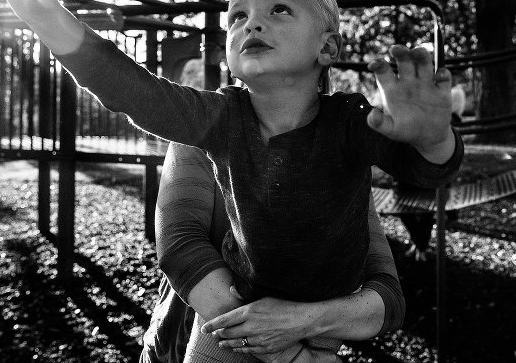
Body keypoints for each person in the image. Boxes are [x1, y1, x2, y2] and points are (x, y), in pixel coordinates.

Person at [0, 0, 464, 362]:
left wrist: (432, 138)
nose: (252, 22)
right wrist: (45, 17)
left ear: (327, 48)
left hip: (326, 319)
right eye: (238, 15)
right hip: (235, 311)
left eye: (279, 10)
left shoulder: (348, 122)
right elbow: (135, 92)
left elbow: (422, 171)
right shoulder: (220, 117)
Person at [142, 142, 406, 363]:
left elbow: (388, 298)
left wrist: (305, 322)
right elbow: (181, 249)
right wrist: (292, 356)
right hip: (180, 346)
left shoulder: (344, 160)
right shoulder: (202, 131)